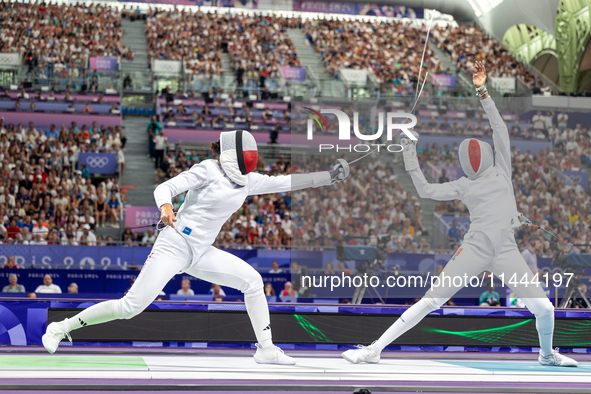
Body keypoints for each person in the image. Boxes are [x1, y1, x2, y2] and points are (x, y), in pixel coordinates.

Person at [42, 129, 350, 365]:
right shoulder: (208, 170)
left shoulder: (249, 181)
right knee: (130, 307)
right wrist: (165, 207)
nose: (251, 160)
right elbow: (165, 187)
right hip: (174, 245)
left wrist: (330, 176)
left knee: (253, 282)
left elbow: (288, 182)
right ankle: (60, 326)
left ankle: (266, 349)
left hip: (202, 251)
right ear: (235, 154)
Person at [341, 62, 577, 367]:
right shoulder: (467, 184)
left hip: (506, 250)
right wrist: (409, 154)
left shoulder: (496, 172)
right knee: (431, 300)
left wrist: (483, 91)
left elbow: (499, 129)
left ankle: (546, 355)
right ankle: (374, 349)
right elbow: (426, 191)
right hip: (475, 248)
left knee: (545, 308)